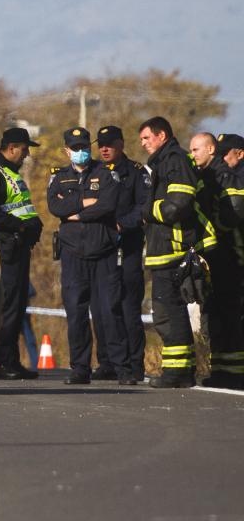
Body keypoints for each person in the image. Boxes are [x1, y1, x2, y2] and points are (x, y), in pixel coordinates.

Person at [46, 127, 129, 384]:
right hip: (73, 254)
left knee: (110, 310)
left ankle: (122, 368)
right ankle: (80, 369)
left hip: (103, 252)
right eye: (75, 148)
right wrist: (86, 202)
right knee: (76, 313)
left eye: (84, 147)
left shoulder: (106, 174)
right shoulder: (59, 177)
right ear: (66, 151)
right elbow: (55, 206)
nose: (80, 151)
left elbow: (108, 205)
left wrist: (76, 214)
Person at [139, 116, 207, 388]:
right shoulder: (163, 162)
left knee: (168, 311)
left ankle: (177, 373)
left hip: (172, 248)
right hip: (162, 249)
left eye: (147, 137)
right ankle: (181, 370)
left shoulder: (174, 160)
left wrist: (148, 210)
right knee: (167, 311)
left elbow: (177, 204)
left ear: (162, 135)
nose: (143, 143)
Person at [0, 126, 44, 379]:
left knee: (18, 304)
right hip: (5, 246)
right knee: (8, 305)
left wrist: (33, 225)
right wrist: (22, 226)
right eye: (24, 150)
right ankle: (0, 362)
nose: (26, 155)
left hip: (18, 246)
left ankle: (11, 361)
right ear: (12, 148)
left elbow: (19, 207)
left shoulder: (11, 173)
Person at [95, 125, 149, 381]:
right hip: (102, 249)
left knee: (128, 307)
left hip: (127, 247)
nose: (104, 149)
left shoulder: (136, 172)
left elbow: (144, 207)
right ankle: (107, 362)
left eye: (109, 144)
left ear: (121, 144)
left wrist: (122, 224)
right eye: (101, 145)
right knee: (103, 308)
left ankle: (134, 365)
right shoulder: (96, 172)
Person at [190, 132, 244, 387]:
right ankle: (222, 369)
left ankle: (234, 373)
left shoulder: (225, 175)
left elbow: (234, 211)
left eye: (196, 149)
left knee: (231, 313)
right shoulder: (208, 175)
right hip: (217, 255)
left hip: (231, 254)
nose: (192, 155)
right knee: (217, 313)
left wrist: (216, 228)